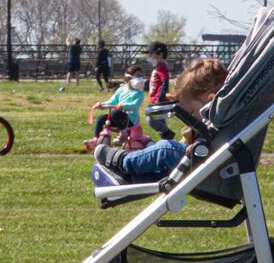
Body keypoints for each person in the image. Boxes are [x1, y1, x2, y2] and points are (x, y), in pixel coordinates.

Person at [94, 59, 228, 181]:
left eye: (191, 112)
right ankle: (129, 178)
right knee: (163, 172)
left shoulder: (220, 118)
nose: (190, 118)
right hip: (202, 161)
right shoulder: (217, 119)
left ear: (211, 100)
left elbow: (217, 142)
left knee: (166, 148)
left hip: (208, 164)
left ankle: (123, 162)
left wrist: (198, 145)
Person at [85, 65, 149, 151]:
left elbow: (135, 105)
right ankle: (96, 140)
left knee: (115, 112)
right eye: (137, 75)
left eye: (141, 76)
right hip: (117, 117)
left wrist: (123, 106)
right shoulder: (121, 89)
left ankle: (123, 134)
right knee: (101, 118)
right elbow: (112, 102)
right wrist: (102, 104)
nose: (140, 78)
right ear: (129, 77)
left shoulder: (139, 93)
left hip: (130, 119)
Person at [145, 42, 174, 140]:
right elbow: (154, 82)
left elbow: (165, 82)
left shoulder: (162, 67)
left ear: (160, 54)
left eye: (151, 54)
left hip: (160, 100)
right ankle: (166, 140)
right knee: (160, 122)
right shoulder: (157, 67)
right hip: (155, 100)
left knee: (151, 119)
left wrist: (160, 98)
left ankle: (168, 133)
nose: (149, 56)